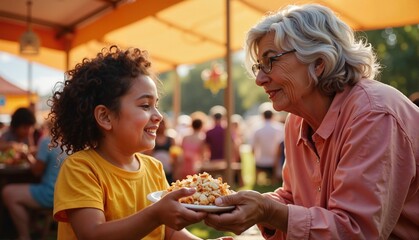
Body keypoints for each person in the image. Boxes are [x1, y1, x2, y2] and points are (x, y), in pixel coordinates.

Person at [204, 4, 419, 239]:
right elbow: (293, 198)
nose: (259, 79)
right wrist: (250, 205)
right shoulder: (296, 120)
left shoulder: (373, 114)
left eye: (270, 61)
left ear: (318, 62)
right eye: (258, 66)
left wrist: (267, 210)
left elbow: (354, 231)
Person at [49, 45, 206, 240]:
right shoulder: (81, 168)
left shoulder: (154, 169)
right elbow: (92, 234)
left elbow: (171, 232)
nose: (158, 116)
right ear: (105, 117)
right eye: (145, 106)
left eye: (156, 105)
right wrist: (155, 214)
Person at [2, 118, 65, 240]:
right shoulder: (75, 143)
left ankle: (24, 236)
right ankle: (34, 227)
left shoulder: (47, 141)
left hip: (51, 195)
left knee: (8, 192)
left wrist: (27, 156)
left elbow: (36, 171)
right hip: (66, 194)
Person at [251, 102, 284, 185]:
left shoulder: (256, 128)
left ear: (262, 115)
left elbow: (253, 147)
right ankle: (275, 178)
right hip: (275, 162)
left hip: (260, 161)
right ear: (273, 115)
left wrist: (255, 159)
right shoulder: (279, 128)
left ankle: (257, 180)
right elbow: (281, 147)